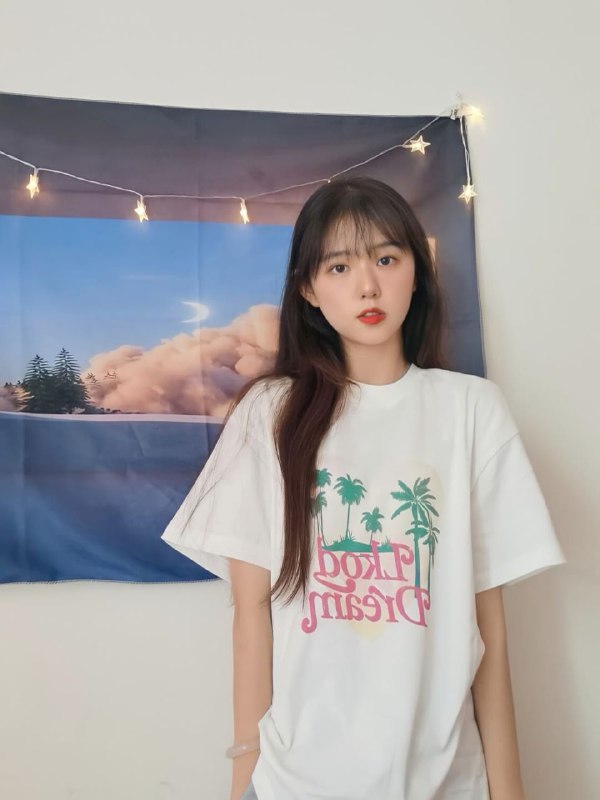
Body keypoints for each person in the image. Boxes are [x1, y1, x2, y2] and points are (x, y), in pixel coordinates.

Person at [160, 176, 567, 800]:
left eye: (386, 259)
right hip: (296, 782)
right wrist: (245, 776)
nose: (367, 286)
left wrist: (508, 788)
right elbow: (251, 611)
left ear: (416, 272)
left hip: (444, 780)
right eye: (340, 266)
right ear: (308, 289)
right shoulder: (270, 412)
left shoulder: (471, 409)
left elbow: (489, 626)